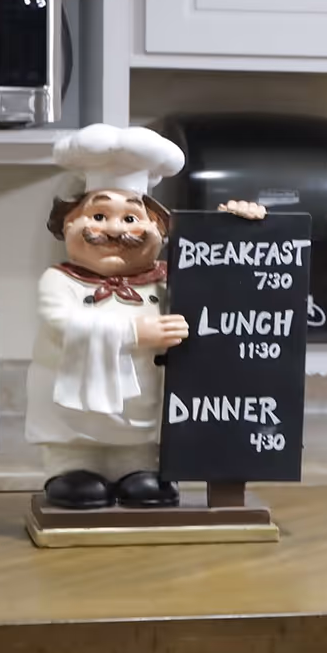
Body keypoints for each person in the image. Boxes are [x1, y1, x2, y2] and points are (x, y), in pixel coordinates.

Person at [26, 123, 265, 509]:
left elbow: (225, 294)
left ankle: (136, 472)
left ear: (159, 228)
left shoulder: (172, 281)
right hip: (71, 411)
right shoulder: (59, 281)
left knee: (141, 473)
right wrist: (136, 331)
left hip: (143, 412)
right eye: (99, 215)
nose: (115, 229)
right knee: (76, 467)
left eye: (131, 218)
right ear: (68, 224)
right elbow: (64, 322)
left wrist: (237, 233)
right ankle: (71, 471)